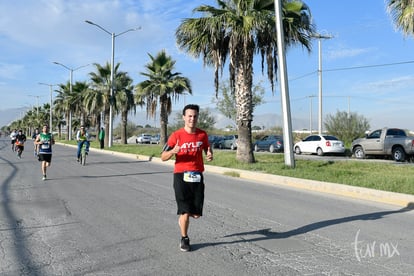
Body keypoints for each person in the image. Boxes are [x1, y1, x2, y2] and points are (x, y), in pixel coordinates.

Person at [161, 104, 213, 252]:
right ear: (184, 117)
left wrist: (209, 155)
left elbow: (207, 150)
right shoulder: (176, 136)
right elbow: (163, 157)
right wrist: (173, 151)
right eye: (189, 116)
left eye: (195, 116)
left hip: (197, 176)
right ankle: (184, 238)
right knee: (185, 211)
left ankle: (187, 215)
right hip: (181, 176)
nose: (192, 119)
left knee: (195, 214)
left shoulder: (203, 135)